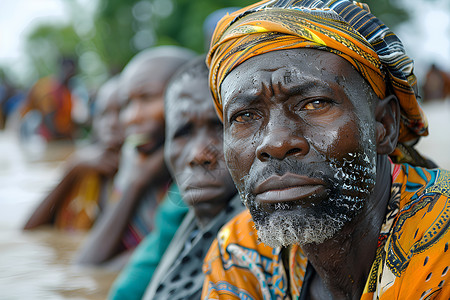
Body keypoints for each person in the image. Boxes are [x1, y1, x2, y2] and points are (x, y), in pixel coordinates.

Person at [202, 1, 450, 299]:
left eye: (314, 103)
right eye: (245, 116)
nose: (276, 143)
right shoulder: (239, 253)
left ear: (384, 124)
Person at [109, 56, 243, 300]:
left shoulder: (262, 238)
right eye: (183, 133)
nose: (199, 154)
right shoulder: (186, 215)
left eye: (218, 127)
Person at [75, 46, 194, 267]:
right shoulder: (130, 168)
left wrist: (137, 181)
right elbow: (87, 265)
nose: (131, 117)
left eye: (147, 98)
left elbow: (93, 268)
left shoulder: (204, 183)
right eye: (127, 103)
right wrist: (136, 181)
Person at [23, 76, 124, 231]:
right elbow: (29, 230)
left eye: (122, 111)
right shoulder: (86, 168)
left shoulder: (140, 176)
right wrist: (72, 167)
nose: (111, 123)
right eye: (103, 114)